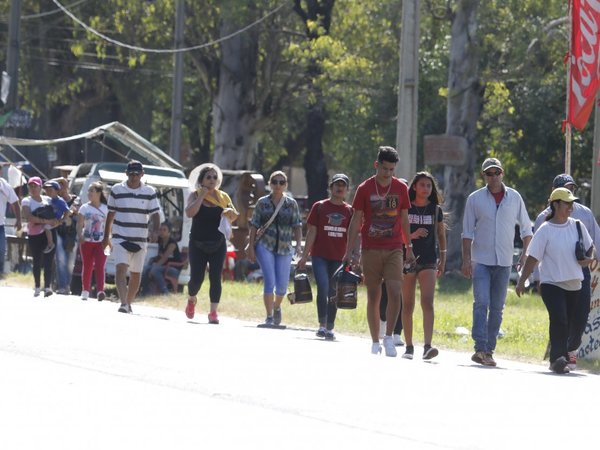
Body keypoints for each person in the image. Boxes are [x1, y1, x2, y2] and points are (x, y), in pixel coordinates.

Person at [342, 146, 415, 356]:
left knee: (394, 291)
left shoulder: (400, 188)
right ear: (377, 165)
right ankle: (375, 341)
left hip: (394, 248)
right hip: (371, 248)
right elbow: (356, 220)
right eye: (385, 169)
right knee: (374, 295)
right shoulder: (365, 189)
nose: (388, 174)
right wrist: (349, 251)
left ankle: (389, 336)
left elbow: (403, 219)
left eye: (392, 170)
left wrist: (408, 246)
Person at [462, 157, 532, 367]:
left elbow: (527, 229)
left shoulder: (515, 197)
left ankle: (489, 350)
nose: (493, 177)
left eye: (496, 172)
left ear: (502, 173)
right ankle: (480, 347)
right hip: (480, 260)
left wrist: (525, 254)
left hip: (503, 261)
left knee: (497, 307)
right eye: (489, 173)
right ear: (483, 176)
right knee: (481, 302)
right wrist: (466, 260)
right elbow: (466, 232)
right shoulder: (475, 199)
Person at [516, 188, 595, 374]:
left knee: (571, 321)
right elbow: (533, 258)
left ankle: (565, 355)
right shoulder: (545, 230)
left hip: (574, 283)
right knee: (559, 318)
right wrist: (522, 282)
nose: (571, 207)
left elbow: (590, 247)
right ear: (556, 204)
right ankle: (556, 359)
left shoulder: (577, 225)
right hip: (551, 283)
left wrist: (586, 258)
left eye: (571, 203)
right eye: (567, 203)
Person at [533, 173, 600, 370]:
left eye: (572, 188)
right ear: (555, 196)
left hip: (581, 272)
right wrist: (536, 279)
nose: (570, 192)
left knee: (580, 316)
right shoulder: (543, 220)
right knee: (560, 317)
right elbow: (535, 254)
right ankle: (559, 357)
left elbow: (595, 242)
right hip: (554, 276)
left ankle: (568, 349)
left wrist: (590, 257)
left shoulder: (584, 213)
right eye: (566, 188)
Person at [297, 173, 355, 341]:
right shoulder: (320, 207)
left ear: (347, 189)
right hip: (320, 256)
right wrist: (304, 255)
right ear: (331, 187)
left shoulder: (350, 211)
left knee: (333, 291)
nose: (339, 188)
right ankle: (321, 325)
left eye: (343, 185)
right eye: (337, 184)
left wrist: (353, 253)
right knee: (323, 288)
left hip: (339, 257)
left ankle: (330, 327)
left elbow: (354, 234)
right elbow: (312, 231)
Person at [102, 160, 161, 313]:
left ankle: (128, 302)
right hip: (120, 236)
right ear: (126, 174)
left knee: (135, 274)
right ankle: (123, 303)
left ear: (142, 174)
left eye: (137, 174)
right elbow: (111, 214)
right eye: (131, 174)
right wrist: (106, 236)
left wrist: (155, 231)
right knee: (121, 268)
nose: (134, 177)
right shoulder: (117, 190)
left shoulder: (149, 192)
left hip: (140, 238)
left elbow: (155, 214)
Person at [400, 172, 447, 360]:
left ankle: (428, 346)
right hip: (407, 259)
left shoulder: (435, 210)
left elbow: (441, 236)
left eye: (429, 185)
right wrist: (412, 236)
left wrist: (442, 260)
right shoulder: (406, 208)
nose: (426, 189)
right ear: (414, 187)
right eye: (422, 185)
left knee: (427, 302)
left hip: (428, 260)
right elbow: (397, 232)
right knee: (408, 304)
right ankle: (409, 346)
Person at [184, 164, 238, 324]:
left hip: (218, 243)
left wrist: (230, 213)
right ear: (202, 180)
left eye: (215, 177)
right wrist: (202, 196)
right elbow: (189, 213)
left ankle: (213, 312)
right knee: (196, 279)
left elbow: (235, 216)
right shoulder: (194, 195)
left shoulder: (223, 197)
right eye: (208, 177)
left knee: (216, 277)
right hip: (197, 243)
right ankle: (191, 298)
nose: (212, 180)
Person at [247, 171, 302, 327]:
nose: (278, 185)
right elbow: (254, 226)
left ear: (285, 185)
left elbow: (297, 226)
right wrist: (251, 246)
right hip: (265, 245)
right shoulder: (262, 203)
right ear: (270, 184)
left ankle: (277, 306)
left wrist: (298, 244)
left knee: (282, 287)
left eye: (281, 182)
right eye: (275, 182)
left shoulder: (291, 204)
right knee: (269, 280)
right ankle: (269, 316)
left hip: (285, 247)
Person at [21, 177, 60, 297]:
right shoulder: (26, 201)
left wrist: (55, 221)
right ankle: (37, 286)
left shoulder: (48, 200)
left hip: (49, 233)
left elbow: (57, 213)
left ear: (40, 187)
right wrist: (45, 220)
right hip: (34, 234)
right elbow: (29, 217)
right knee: (37, 260)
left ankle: (47, 286)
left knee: (49, 261)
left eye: (35, 186)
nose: (33, 188)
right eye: (31, 186)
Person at [76, 181, 108, 301]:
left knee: (100, 265)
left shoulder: (106, 209)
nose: (89, 193)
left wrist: (109, 239)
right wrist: (80, 235)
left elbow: (110, 226)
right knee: (88, 265)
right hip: (87, 241)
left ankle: (100, 290)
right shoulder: (84, 208)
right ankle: (85, 290)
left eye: (92, 191)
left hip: (101, 242)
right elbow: (79, 224)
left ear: (99, 193)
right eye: (88, 191)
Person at [141, 221, 182, 295]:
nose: (162, 232)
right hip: (164, 266)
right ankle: (144, 292)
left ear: (169, 232)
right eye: (160, 230)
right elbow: (152, 243)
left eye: (164, 230)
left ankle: (165, 292)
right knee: (145, 268)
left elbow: (165, 257)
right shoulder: (160, 241)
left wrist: (155, 266)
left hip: (174, 268)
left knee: (154, 270)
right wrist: (152, 260)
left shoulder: (172, 243)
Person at [54, 177, 80, 295]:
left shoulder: (75, 199)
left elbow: (76, 211)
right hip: (58, 233)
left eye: (64, 185)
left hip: (71, 235)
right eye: (59, 186)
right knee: (61, 260)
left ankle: (67, 285)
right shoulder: (54, 201)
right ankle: (62, 286)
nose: (62, 188)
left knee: (70, 263)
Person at [0, 172, 22, 278]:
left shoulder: (4, 185)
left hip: (0, 225)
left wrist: (19, 220)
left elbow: (15, 202)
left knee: (1, 251)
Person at [40, 181, 69, 254]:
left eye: (50, 190)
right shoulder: (48, 200)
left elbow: (67, 210)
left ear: (56, 191)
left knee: (46, 227)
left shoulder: (60, 201)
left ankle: (50, 243)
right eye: (46, 191)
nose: (48, 192)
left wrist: (62, 220)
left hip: (56, 220)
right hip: (50, 218)